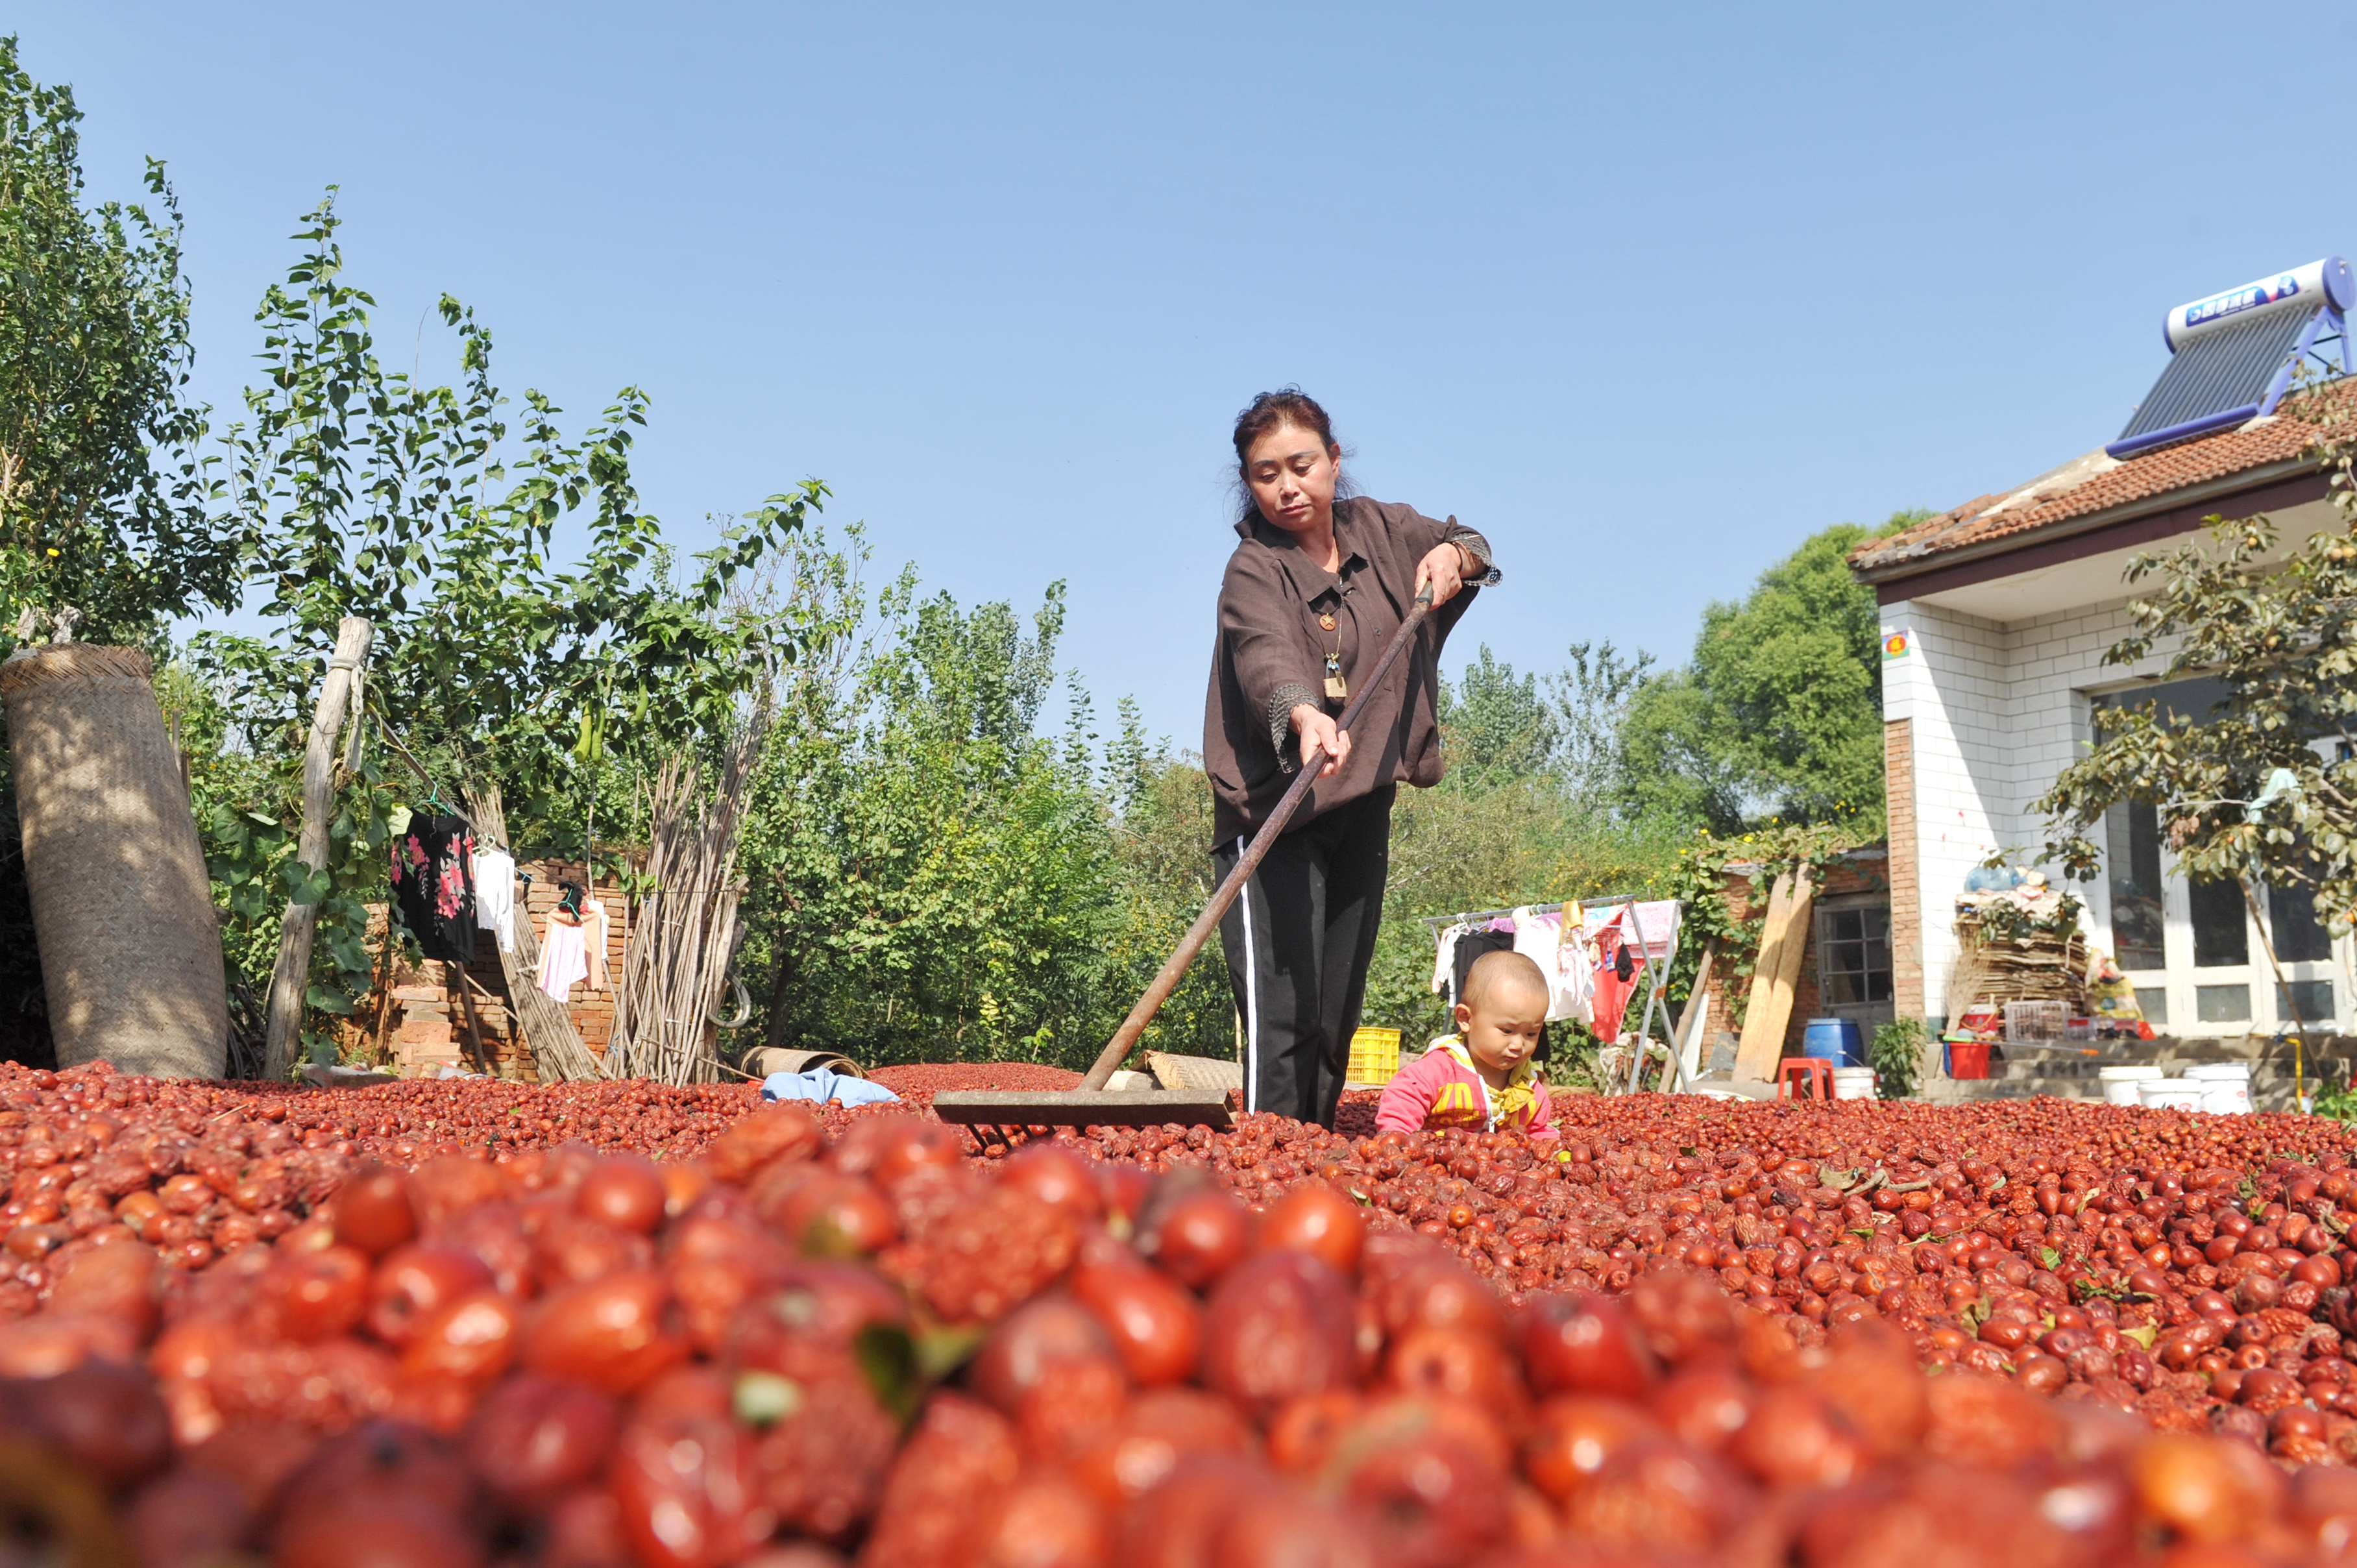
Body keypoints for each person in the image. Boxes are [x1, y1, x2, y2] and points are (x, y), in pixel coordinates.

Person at [1204, 388, 1493, 1126]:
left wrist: (1454, 553)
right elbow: (1263, 652)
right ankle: (1269, 1158)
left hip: (1359, 803)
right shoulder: (1252, 569)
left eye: (1300, 465)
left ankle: (1314, 1154)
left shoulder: (1384, 531)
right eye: (1265, 474)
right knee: (1282, 1014)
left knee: (1335, 1008)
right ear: (1250, 482)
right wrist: (1303, 713)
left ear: (1333, 460)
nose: (1286, 487)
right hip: (1273, 817)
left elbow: (1475, 543)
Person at [1375, 949, 1557, 1141]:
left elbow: (1538, 1131)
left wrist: (1552, 1147)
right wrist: (1399, 1140)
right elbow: (1403, 1100)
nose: (1518, 1044)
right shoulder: (1440, 1070)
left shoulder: (1527, 1086)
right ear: (1466, 1019)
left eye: (1531, 1033)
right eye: (1507, 1030)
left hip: (1499, 1168)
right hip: (1434, 1160)